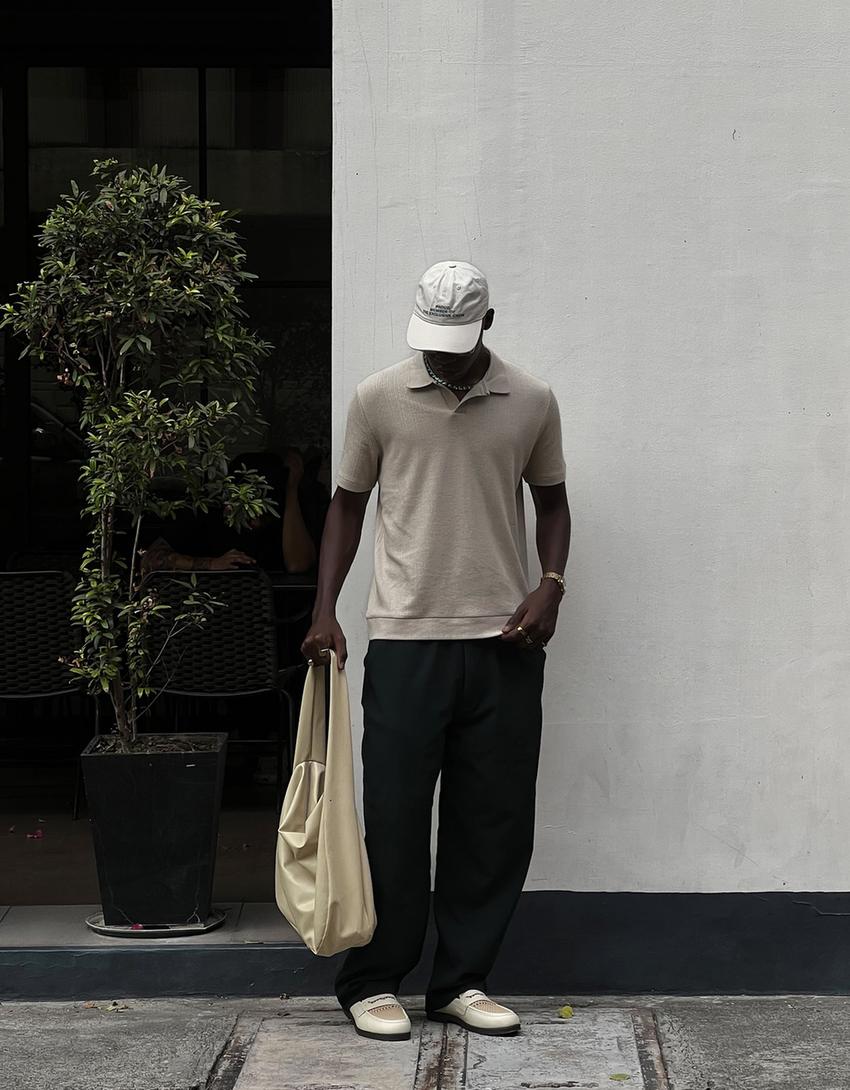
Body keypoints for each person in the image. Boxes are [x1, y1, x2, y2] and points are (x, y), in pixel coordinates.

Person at [301, 260, 571, 1042]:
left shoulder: (533, 401)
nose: (440, 356)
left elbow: (553, 502)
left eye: (456, 340)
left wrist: (551, 585)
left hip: (504, 643)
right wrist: (325, 609)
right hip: (405, 639)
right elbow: (346, 506)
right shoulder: (378, 397)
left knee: (492, 823)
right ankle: (372, 981)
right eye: (431, 339)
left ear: (488, 323)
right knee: (392, 819)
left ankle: (461, 980)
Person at [139, 447, 329, 576]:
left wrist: (292, 490)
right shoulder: (207, 516)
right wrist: (212, 564)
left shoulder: (285, 520)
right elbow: (151, 559)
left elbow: (298, 564)